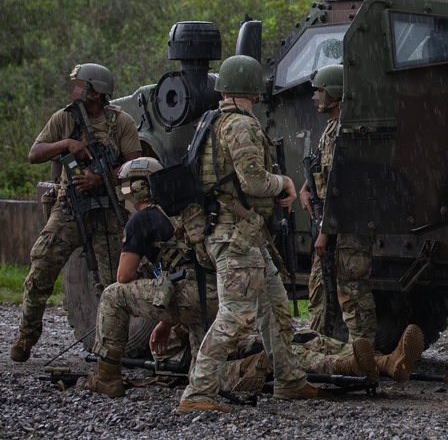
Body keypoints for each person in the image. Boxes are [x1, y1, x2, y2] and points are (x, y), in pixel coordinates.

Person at [79, 156, 376, 398]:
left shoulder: (141, 220)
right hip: (213, 294)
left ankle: (106, 376)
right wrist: (167, 321)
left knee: (111, 295)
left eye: (126, 187)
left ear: (135, 188)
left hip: (185, 296)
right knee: (204, 367)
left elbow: (124, 275)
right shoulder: (185, 215)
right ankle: (263, 365)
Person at [176, 55, 332, 414]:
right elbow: (255, 181)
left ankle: (289, 380)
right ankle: (198, 391)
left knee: (275, 306)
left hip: (241, 233)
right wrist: (285, 182)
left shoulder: (210, 122)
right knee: (237, 315)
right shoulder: (240, 127)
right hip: (236, 237)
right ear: (252, 89)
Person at [299, 63, 425, 381]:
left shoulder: (347, 133)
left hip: (347, 231)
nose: (316, 97)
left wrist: (325, 234)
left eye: (321, 91)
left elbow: (344, 190)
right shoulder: (331, 131)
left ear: (338, 94)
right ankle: (328, 355)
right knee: (320, 295)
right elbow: (326, 178)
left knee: (353, 296)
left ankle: (363, 357)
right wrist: (307, 188)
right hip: (329, 226)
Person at [11, 63, 141, 363]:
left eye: (79, 85)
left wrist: (102, 176)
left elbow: (136, 163)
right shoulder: (64, 118)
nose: (74, 90)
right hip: (70, 207)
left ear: (95, 91)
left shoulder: (121, 122)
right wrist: (66, 144)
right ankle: (26, 335)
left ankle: (110, 354)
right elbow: (34, 153)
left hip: (108, 209)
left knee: (113, 285)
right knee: (40, 267)